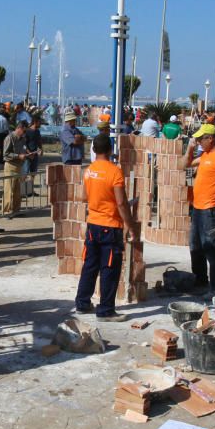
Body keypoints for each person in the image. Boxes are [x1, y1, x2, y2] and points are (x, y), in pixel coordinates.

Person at [74, 135, 138, 321]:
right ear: (110, 150)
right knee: (109, 268)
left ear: (93, 150)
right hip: (110, 226)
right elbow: (121, 202)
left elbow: (84, 197)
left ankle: (83, 303)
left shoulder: (89, 170)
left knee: (90, 265)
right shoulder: (115, 172)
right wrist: (130, 226)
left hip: (93, 224)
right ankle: (106, 311)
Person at [184, 127, 215, 297]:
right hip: (198, 208)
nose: (198, 142)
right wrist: (190, 148)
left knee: (211, 248)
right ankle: (200, 280)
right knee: (195, 246)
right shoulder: (205, 155)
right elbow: (184, 165)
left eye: (200, 140)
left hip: (211, 209)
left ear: (210, 138)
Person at [1, 121, 30, 217]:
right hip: (10, 166)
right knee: (9, 189)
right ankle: (7, 211)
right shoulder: (10, 138)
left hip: (19, 166)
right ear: (19, 128)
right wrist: (18, 156)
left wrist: (28, 154)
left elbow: (24, 148)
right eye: (24, 131)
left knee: (18, 190)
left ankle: (16, 210)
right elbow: (5, 154)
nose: (25, 134)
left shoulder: (23, 138)